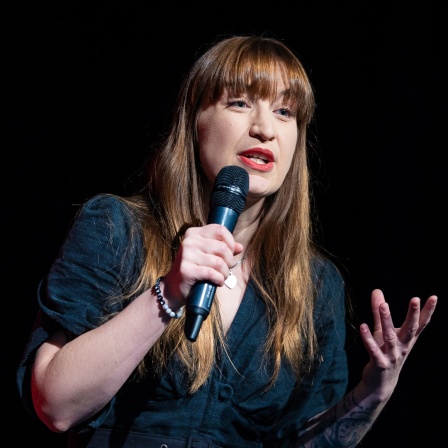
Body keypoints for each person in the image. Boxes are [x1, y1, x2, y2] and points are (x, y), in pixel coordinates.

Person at [16, 34, 438, 448]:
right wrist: (169, 293)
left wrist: (374, 391)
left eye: (285, 112)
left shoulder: (314, 284)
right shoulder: (117, 229)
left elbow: (301, 441)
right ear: (195, 121)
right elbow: (56, 405)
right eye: (239, 102)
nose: (265, 128)